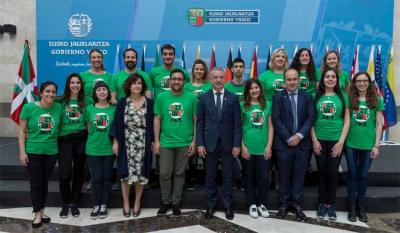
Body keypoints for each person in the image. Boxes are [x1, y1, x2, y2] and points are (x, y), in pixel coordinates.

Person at [197, 67, 242, 220]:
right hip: (209, 144)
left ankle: (228, 205)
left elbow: (237, 124)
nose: (218, 80)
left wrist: (237, 144)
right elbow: (200, 123)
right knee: (210, 176)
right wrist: (200, 144)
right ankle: (210, 205)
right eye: (215, 77)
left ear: (225, 79)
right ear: (210, 79)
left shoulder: (233, 98)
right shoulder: (203, 98)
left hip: (228, 144)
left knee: (228, 176)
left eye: (221, 77)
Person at [272, 69, 315, 222]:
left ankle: (296, 205)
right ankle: (283, 205)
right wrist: (289, 137)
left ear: (299, 80)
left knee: (299, 176)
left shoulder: (307, 96)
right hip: (284, 144)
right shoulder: (278, 96)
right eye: (289, 80)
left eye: (294, 79)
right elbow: (276, 119)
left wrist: (299, 135)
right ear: (284, 81)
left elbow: (311, 118)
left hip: (302, 144)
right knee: (283, 176)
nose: (292, 82)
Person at [18, 81, 62, 228]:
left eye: (53, 92)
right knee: (36, 183)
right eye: (47, 91)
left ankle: (42, 211)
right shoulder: (28, 108)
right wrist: (22, 152)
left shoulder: (59, 108)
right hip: (33, 151)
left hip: (51, 152)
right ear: (41, 93)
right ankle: (37, 214)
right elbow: (21, 131)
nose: (50, 94)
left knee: (44, 183)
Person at [154, 69, 197, 216]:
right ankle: (166, 202)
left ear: (184, 81)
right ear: (170, 81)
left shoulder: (191, 97)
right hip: (166, 142)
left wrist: (194, 141)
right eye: (174, 79)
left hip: (185, 142)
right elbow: (157, 119)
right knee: (165, 173)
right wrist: (157, 141)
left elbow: (196, 120)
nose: (177, 81)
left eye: (179, 79)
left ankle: (176, 202)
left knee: (179, 173)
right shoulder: (161, 97)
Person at [110, 73, 154, 218]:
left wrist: (153, 141)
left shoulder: (149, 102)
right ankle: (125, 203)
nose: (137, 85)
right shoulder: (122, 102)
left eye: (139, 83)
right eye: (134, 83)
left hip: (143, 143)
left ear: (143, 86)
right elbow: (116, 123)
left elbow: (153, 124)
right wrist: (115, 142)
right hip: (126, 142)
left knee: (141, 175)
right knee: (125, 175)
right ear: (128, 86)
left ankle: (137, 202)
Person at [311, 68, 350, 220]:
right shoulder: (315, 96)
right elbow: (311, 121)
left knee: (333, 172)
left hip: (336, 140)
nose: (330, 79)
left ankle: (331, 204)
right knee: (321, 173)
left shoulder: (344, 96)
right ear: (323, 79)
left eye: (333, 77)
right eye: (327, 76)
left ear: (337, 80)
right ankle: (322, 203)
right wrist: (314, 140)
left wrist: (341, 141)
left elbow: (347, 120)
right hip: (319, 139)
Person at [345, 72, 384, 223]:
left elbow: (379, 123)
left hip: (368, 145)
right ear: (354, 83)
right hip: (351, 144)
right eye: (358, 81)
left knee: (363, 175)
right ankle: (352, 207)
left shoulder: (377, 99)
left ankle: (361, 206)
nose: (362, 83)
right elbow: (347, 121)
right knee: (352, 174)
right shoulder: (350, 99)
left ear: (369, 83)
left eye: (365, 81)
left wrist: (377, 145)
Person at [241, 79, 273, 219]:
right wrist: (242, 146)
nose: (254, 90)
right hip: (248, 148)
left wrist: (269, 146)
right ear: (248, 91)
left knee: (264, 177)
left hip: (263, 148)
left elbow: (271, 127)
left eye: (257, 87)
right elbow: (239, 128)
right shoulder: (242, 106)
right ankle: (252, 204)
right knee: (249, 177)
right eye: (251, 88)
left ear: (261, 89)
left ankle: (262, 204)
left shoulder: (268, 105)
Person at [58, 73, 87, 218]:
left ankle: (74, 203)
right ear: (68, 85)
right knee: (64, 174)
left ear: (81, 85)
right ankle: (65, 203)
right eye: (72, 82)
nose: (75, 85)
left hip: (81, 138)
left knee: (78, 173)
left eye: (77, 82)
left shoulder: (86, 101)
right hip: (65, 140)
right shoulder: (60, 101)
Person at [85, 81, 116, 219]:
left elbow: (116, 130)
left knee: (107, 177)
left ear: (108, 92)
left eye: (104, 89)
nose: (102, 92)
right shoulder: (89, 109)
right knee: (97, 177)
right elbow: (88, 127)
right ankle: (96, 204)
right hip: (93, 148)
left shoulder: (113, 109)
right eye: (99, 90)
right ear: (95, 93)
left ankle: (103, 205)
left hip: (109, 149)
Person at [183, 59, 211, 191]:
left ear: (205, 71)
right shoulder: (187, 87)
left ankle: (208, 179)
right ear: (192, 71)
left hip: (207, 123)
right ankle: (192, 178)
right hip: (190, 122)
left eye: (201, 69)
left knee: (207, 152)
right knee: (192, 153)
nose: (198, 71)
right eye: (196, 69)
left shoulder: (209, 86)